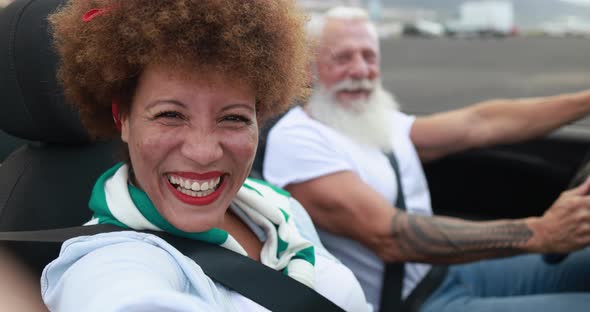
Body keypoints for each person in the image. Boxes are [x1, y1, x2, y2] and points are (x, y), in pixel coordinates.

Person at [41, 1, 371, 311]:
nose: (203, 153)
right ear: (123, 119)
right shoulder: (109, 261)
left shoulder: (277, 209)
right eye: (170, 114)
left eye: (233, 118)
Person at [263, 6, 590, 312]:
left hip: (443, 273)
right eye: (343, 57)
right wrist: (539, 232)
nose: (361, 70)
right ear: (309, 68)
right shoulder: (298, 139)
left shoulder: (375, 122)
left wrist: (584, 102)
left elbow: (481, 124)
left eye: (369, 56)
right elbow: (391, 237)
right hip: (414, 302)